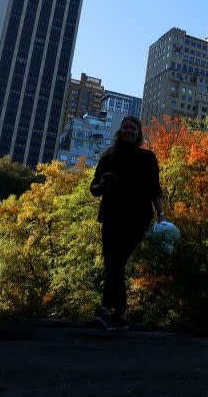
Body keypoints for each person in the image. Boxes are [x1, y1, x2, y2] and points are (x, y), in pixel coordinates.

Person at [89, 116, 164, 330]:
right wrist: (103, 183)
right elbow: (93, 190)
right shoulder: (107, 158)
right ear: (120, 132)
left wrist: (162, 216)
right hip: (111, 216)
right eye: (125, 128)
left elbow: (155, 189)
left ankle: (109, 312)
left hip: (137, 218)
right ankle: (118, 314)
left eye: (132, 128)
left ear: (138, 133)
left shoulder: (148, 157)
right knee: (113, 262)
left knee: (117, 260)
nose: (128, 131)